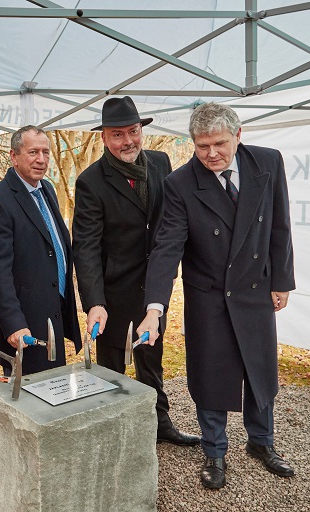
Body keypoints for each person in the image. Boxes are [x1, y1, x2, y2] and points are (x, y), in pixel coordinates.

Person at [138, 102, 296, 489]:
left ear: (238, 135)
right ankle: (215, 451)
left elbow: (280, 224)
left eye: (219, 144)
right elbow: (166, 247)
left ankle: (262, 442)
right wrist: (154, 309)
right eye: (202, 145)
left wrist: (282, 280)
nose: (211, 154)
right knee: (211, 375)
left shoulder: (268, 163)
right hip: (208, 295)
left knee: (259, 369)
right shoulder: (179, 184)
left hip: (255, 288)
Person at [72, 96, 201, 447]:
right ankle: (113, 434)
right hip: (114, 293)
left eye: (133, 131)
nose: (128, 140)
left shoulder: (161, 162)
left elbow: (173, 220)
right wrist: (94, 302)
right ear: (104, 138)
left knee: (151, 358)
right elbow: (85, 247)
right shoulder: (91, 181)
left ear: (141, 130)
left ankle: (160, 423)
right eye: (118, 134)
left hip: (155, 289)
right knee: (112, 368)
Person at [0, 125, 81, 375]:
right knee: (29, 401)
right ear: (14, 156)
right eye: (33, 152)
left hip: (54, 313)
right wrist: (14, 324)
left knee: (54, 390)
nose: (41, 159)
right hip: (25, 325)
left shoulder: (46, 190)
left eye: (46, 152)